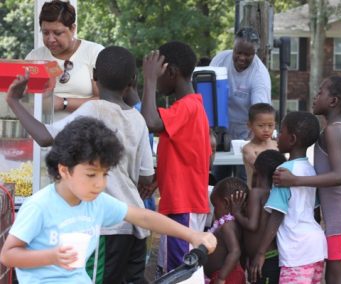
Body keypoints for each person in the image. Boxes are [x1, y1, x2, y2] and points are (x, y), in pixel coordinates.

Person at [6, 46, 158, 283]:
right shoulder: (137, 120)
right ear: (133, 80)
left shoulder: (92, 109)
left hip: (104, 229)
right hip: (134, 224)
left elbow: (46, 137)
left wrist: (14, 101)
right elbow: (147, 177)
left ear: (94, 76)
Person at [0, 117, 217, 283]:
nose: (100, 183)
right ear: (64, 170)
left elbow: (143, 217)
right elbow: (8, 255)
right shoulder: (39, 206)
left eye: (105, 174)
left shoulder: (97, 202)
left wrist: (193, 234)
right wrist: (51, 257)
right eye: (91, 175)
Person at [273, 77, 341, 284]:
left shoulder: (334, 130)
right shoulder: (334, 129)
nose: (315, 96)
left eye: (320, 92)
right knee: (333, 277)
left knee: (335, 278)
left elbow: (338, 176)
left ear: (333, 101)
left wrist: (295, 180)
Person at [141, 41, 211, 273]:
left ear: (171, 72)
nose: (156, 79)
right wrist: (159, 181)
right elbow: (187, 155)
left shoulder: (187, 107)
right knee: (173, 270)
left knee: (180, 274)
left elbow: (149, 122)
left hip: (184, 205)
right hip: (182, 204)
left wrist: (149, 81)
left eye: (159, 74)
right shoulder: (192, 107)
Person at [251, 111, 327, 283]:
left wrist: (260, 252)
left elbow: (277, 215)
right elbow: (316, 212)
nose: (276, 135)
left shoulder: (283, 172)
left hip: (296, 251)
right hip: (316, 246)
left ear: (292, 139)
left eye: (281, 131)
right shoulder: (310, 170)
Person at [210, 27, 272, 183]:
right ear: (233, 47)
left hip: (246, 134)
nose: (242, 57)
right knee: (218, 178)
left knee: (244, 180)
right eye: (238, 52)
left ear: (255, 53)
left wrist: (252, 146)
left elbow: (260, 116)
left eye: (248, 54)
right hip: (221, 131)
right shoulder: (219, 60)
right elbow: (208, 96)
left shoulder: (260, 76)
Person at [26, 0, 104, 121]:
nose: (51, 39)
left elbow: (105, 100)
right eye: (45, 33)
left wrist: (63, 103)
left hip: (87, 133)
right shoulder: (34, 57)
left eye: (57, 33)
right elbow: (23, 98)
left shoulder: (94, 52)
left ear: (72, 28)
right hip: (43, 133)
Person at [231, 150, 286, 284]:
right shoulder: (273, 193)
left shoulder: (256, 193)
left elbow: (252, 225)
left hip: (264, 259)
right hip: (269, 257)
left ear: (257, 171)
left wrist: (237, 212)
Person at [204, 177, 248, 284]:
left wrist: (221, 277)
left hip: (228, 276)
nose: (213, 211)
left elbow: (235, 251)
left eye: (215, 206)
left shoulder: (227, 226)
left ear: (226, 203)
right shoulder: (234, 224)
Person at [242, 103, 277, 189]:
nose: (266, 130)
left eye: (270, 125)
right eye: (261, 126)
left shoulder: (276, 145)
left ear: (275, 124)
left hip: (275, 192)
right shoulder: (249, 149)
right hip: (256, 193)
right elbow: (260, 168)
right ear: (249, 125)